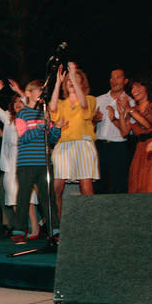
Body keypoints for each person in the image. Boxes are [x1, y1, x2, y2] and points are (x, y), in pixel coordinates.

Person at [9, 80, 64, 244]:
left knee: (48, 198)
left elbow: (52, 139)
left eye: (42, 91)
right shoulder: (22, 114)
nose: (41, 93)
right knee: (23, 198)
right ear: (28, 93)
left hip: (44, 163)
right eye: (38, 90)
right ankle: (19, 232)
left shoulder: (45, 113)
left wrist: (57, 128)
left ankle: (54, 231)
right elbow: (23, 137)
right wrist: (41, 127)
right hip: (26, 163)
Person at [0, 80, 40, 238]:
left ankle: (35, 228)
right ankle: (22, 227)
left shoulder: (30, 115)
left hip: (26, 158)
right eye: (15, 102)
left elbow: (31, 101)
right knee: (13, 197)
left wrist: (19, 90)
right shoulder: (8, 119)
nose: (18, 104)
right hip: (11, 162)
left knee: (28, 196)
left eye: (20, 101)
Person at [50, 63, 99, 218]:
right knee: (56, 188)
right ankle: (59, 227)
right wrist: (58, 82)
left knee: (86, 186)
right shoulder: (61, 103)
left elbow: (84, 105)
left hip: (83, 145)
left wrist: (73, 75)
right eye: (69, 80)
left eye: (75, 79)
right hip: (63, 146)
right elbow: (52, 109)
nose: (71, 82)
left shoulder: (90, 99)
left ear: (82, 83)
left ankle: (89, 222)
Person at [115, 81, 152, 193]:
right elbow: (124, 132)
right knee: (138, 184)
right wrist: (121, 115)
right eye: (132, 88)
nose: (134, 91)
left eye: (138, 87)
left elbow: (150, 125)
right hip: (140, 149)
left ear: (146, 88)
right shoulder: (133, 109)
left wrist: (130, 110)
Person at [93, 68, 134, 194]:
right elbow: (89, 125)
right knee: (99, 186)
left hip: (119, 147)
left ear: (125, 80)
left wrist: (117, 118)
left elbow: (128, 131)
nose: (113, 80)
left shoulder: (130, 102)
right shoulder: (98, 100)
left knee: (119, 186)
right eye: (112, 77)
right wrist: (94, 120)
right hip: (99, 146)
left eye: (118, 77)